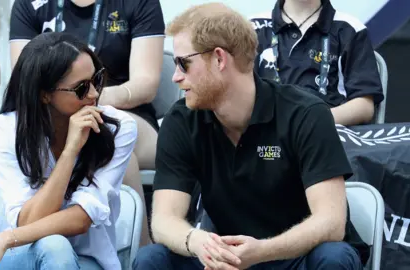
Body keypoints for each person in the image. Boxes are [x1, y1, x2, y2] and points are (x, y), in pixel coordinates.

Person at [133, 3, 363, 270]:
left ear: (219, 59)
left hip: (294, 256)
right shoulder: (181, 119)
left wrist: (262, 251)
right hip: (226, 257)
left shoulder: (306, 114)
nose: (175, 77)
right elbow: (163, 220)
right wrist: (197, 242)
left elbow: (331, 223)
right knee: (152, 259)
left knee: (334, 257)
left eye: (184, 63)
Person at [0, 32, 137, 270]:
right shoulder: (4, 130)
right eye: (81, 88)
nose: (95, 94)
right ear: (44, 94)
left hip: (86, 259)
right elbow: (29, 221)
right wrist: (69, 152)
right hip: (19, 255)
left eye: (96, 80)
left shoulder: (118, 128)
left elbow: (81, 218)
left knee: (57, 249)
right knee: (54, 246)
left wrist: (6, 237)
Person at [9, 0, 165, 245]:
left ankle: (138, 254)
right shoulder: (29, 4)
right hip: (53, 114)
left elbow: (145, 84)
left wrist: (86, 96)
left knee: (110, 139)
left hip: (127, 109)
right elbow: (26, 78)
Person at [250, 0, 384, 126]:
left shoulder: (350, 29)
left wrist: (314, 122)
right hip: (267, 138)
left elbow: (364, 106)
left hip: (327, 133)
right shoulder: (252, 28)